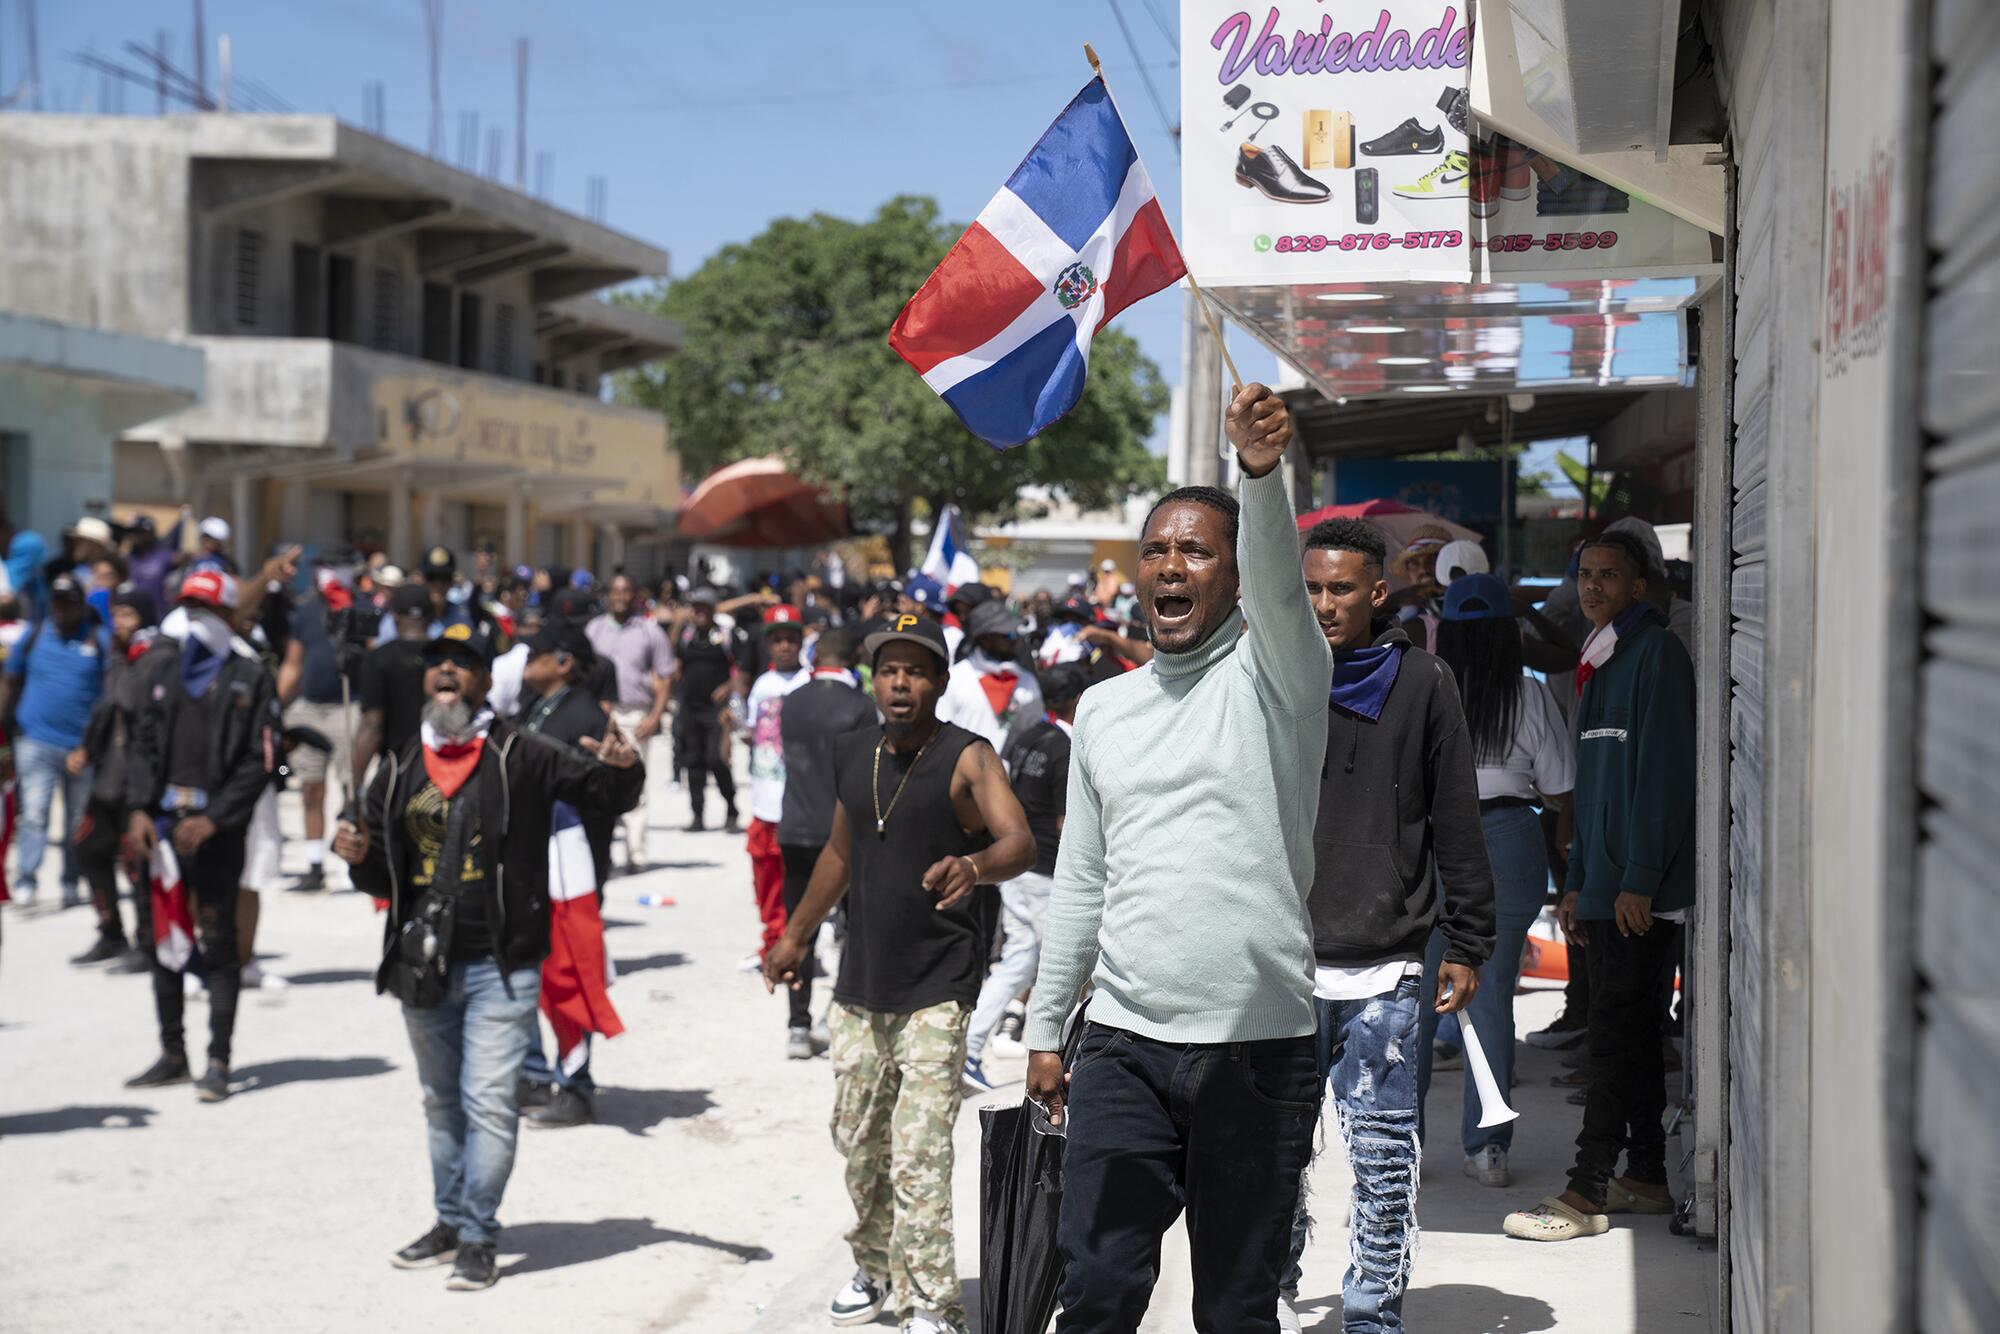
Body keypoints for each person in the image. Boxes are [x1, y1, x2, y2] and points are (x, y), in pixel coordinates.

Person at [1024, 384, 1331, 1333]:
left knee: (1237, 1309)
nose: (1170, 564)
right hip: (1122, 1045)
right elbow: (1081, 879)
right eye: (1156, 549)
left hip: (1259, 1052)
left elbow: (1285, 585)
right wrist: (1045, 1024)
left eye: (1196, 549)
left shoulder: (1281, 674)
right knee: (1100, 1293)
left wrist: (1262, 472)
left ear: (1235, 578)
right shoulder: (1106, 711)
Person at [332, 622, 644, 1290]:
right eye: (437, 663)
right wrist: (358, 864)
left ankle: (478, 1232)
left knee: (490, 1100)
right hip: (424, 966)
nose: (447, 671)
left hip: (501, 964)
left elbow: (604, 794)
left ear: (481, 682)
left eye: (462, 664)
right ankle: (448, 1220)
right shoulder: (397, 765)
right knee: (440, 1101)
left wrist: (626, 768)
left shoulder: (521, 754)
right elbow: (383, 873)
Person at [763, 614, 1034, 1334]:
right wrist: (794, 937)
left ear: (940, 682)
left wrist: (974, 866)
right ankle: (875, 1263)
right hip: (860, 984)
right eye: (889, 670)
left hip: (937, 987)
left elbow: (1021, 841)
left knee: (917, 1150)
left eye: (916, 671)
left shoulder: (968, 757)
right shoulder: (857, 754)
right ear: (873, 680)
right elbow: (839, 856)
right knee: (860, 1143)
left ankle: (932, 1303)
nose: (901, 683)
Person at [1277, 518, 1494, 1334]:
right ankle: (1272, 1288)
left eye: (1340, 589)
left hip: (1387, 972)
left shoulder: (1425, 682)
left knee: (1382, 1159)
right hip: (1282, 970)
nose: (1323, 604)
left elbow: (1457, 820)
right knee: (1274, 1157)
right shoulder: (1275, 679)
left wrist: (1469, 941)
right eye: (1310, 588)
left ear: (1377, 593)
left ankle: (1373, 1315)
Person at [1503, 530, 1696, 1243]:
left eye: (1608, 576)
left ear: (1638, 586)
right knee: (1635, 1036)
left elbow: (1664, 783)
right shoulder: (1599, 659)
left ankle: (1586, 1191)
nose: (1592, 588)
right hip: (1606, 886)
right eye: (1585, 575)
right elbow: (1590, 790)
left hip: (1643, 894)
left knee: (1613, 1039)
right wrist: (1578, 883)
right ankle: (1644, 1174)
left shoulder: (1657, 658)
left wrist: (1639, 880)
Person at [1417, 571, 1574, 1190]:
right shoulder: (1530, 695)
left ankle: (1399, 1150)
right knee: (1491, 999)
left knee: (1416, 1001)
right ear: (1508, 633)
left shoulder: (1424, 692)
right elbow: (1561, 791)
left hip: (1431, 846)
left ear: (1446, 633)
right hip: (1508, 840)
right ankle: (1487, 1151)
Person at [121, 571, 282, 1102]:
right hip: (162, 828)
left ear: (231, 618)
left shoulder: (251, 676)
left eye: (206, 609)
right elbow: (141, 743)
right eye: (188, 606)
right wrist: (141, 810)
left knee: (218, 944)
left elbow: (262, 761)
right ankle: (172, 1052)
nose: (195, 618)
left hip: (216, 831)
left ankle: (218, 1060)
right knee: (161, 940)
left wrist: (215, 817)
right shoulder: (160, 667)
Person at [514, 620, 638, 1130]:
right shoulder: (538, 708)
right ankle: (534, 1072)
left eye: (535, 653)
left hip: (570, 870)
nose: (525, 663)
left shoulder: (584, 715)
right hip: (531, 864)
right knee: (530, 973)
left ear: (563, 661)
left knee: (570, 973)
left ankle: (577, 1084)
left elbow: (605, 796)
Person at [961, 661, 1084, 1092]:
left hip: (1017, 867)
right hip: (1046, 873)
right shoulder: (1066, 749)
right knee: (1068, 967)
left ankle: (970, 1045)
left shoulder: (1027, 737)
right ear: (1077, 699)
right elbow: (1069, 825)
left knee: (1019, 960)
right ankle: (1066, 1057)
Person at [774, 627, 877, 1058]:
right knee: (854, 927)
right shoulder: (861, 706)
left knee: (800, 928)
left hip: (795, 826)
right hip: (843, 833)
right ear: (853, 658)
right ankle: (840, 1012)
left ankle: (797, 1025)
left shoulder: (790, 701)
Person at [0, 573, 110, 908]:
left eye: (69, 601)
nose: (62, 608)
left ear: (81, 605)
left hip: (81, 747)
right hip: (35, 739)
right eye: (57, 601)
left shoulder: (98, 639)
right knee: (33, 813)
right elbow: (10, 680)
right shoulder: (34, 635)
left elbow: (111, 692)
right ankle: (27, 879)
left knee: (78, 820)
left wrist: (98, 743)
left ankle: (71, 880)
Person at [71, 587, 158, 966]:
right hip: (108, 776)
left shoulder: (152, 658)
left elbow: (126, 699)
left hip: (137, 783)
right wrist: (87, 749)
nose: (120, 623)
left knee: (137, 864)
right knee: (88, 847)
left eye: (128, 616)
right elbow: (104, 710)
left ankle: (148, 942)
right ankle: (111, 932)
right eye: (116, 615)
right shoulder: (118, 657)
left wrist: (124, 660)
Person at [277, 556, 363, 893]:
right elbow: (293, 662)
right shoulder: (307, 611)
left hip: (349, 706)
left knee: (351, 790)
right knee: (311, 788)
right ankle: (314, 865)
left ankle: (355, 857)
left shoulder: (361, 608)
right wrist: (277, 704)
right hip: (309, 709)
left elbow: (375, 655)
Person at [586, 573, 676, 873]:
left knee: (635, 784)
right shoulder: (594, 630)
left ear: (634, 595)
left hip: (635, 714)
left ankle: (636, 854)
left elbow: (665, 677)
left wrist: (655, 716)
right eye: (615, 591)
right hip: (600, 714)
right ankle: (602, 851)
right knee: (599, 782)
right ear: (607, 595)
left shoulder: (649, 631)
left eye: (626, 591)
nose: (620, 597)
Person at [741, 604, 812, 972]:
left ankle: (795, 945)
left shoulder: (811, 683)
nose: (784, 646)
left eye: (791, 639)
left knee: (797, 882)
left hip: (799, 805)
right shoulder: (762, 686)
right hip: (764, 802)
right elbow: (754, 735)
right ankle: (771, 942)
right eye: (778, 640)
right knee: (766, 880)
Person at [669, 587, 741, 832]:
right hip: (690, 707)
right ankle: (697, 815)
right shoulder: (687, 636)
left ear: (712, 610)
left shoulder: (725, 636)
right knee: (694, 762)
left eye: (704, 608)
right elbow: (673, 659)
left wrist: (728, 686)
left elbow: (741, 671)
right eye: (695, 608)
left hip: (716, 710)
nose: (698, 612)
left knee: (717, 759)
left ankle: (731, 808)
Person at [353, 585, 435, 795]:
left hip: (397, 771)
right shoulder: (446, 658)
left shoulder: (379, 658)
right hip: (444, 767)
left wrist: (355, 786)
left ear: (395, 616)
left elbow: (372, 723)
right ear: (431, 616)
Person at [937, 600, 1042, 762]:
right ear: (985, 638)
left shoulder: (1027, 682)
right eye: (1008, 635)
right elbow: (940, 736)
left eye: (1016, 634)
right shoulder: (955, 679)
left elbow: (1033, 732)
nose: (1015, 640)